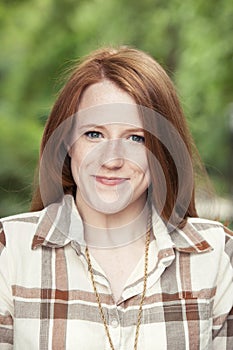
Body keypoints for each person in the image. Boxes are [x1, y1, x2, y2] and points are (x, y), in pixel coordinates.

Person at [0, 47, 232, 350]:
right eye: (94, 134)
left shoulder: (217, 257)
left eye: (137, 138)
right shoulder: (10, 250)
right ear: (67, 141)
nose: (111, 159)